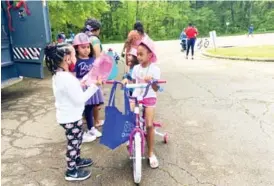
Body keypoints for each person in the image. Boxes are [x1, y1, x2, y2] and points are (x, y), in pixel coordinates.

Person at [44, 43, 102, 181]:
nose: (75, 58)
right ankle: (71, 171)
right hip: (70, 118)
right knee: (73, 143)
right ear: (67, 58)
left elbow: (71, 90)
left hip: (69, 116)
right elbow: (80, 99)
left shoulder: (60, 75)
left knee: (77, 139)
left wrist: (81, 83)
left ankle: (77, 160)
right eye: (74, 55)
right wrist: (95, 86)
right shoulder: (67, 78)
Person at [124, 36, 161, 168]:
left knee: (149, 125)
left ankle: (150, 153)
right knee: (131, 117)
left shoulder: (155, 69)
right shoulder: (135, 69)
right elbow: (133, 81)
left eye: (141, 54)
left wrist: (153, 81)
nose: (138, 57)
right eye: (137, 54)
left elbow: (156, 88)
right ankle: (132, 136)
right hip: (137, 96)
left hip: (149, 97)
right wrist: (126, 81)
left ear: (150, 55)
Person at [73, 33, 103, 142]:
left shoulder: (93, 59)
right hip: (83, 88)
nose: (86, 50)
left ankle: (91, 128)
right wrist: (78, 83)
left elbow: (98, 71)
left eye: (87, 47)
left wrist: (99, 79)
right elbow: (73, 76)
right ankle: (90, 128)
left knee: (91, 107)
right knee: (87, 109)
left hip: (93, 87)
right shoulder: (76, 61)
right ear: (76, 48)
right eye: (83, 47)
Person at [83, 18, 105, 127]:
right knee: (95, 95)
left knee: (86, 95)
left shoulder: (83, 38)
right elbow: (98, 58)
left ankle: (86, 118)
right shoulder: (95, 40)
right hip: (93, 71)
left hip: (84, 70)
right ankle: (96, 121)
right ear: (96, 29)